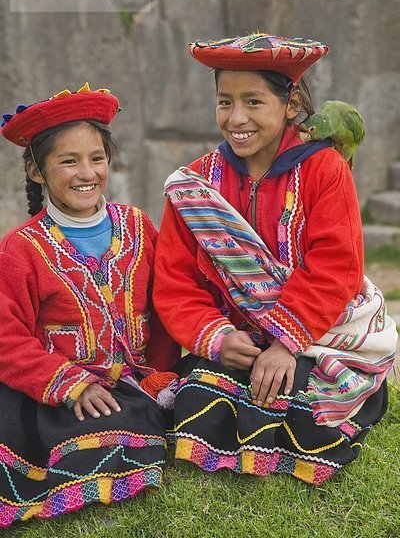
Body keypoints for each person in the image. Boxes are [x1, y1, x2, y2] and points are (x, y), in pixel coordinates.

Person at [153, 33, 398, 485]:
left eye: (253, 102)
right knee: (197, 397)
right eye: (225, 102)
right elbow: (175, 281)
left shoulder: (323, 170)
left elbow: (336, 265)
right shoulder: (195, 186)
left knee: (299, 402)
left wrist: (286, 342)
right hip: (238, 338)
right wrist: (217, 339)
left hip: (319, 331)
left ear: (290, 105)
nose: (237, 118)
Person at [0, 83, 180, 527]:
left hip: (138, 381)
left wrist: (162, 376)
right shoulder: (21, 250)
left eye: (97, 158)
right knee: (91, 437)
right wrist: (69, 384)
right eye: (68, 161)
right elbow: (6, 337)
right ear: (37, 172)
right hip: (65, 393)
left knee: (209, 400)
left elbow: (163, 309)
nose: (87, 172)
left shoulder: (138, 226)